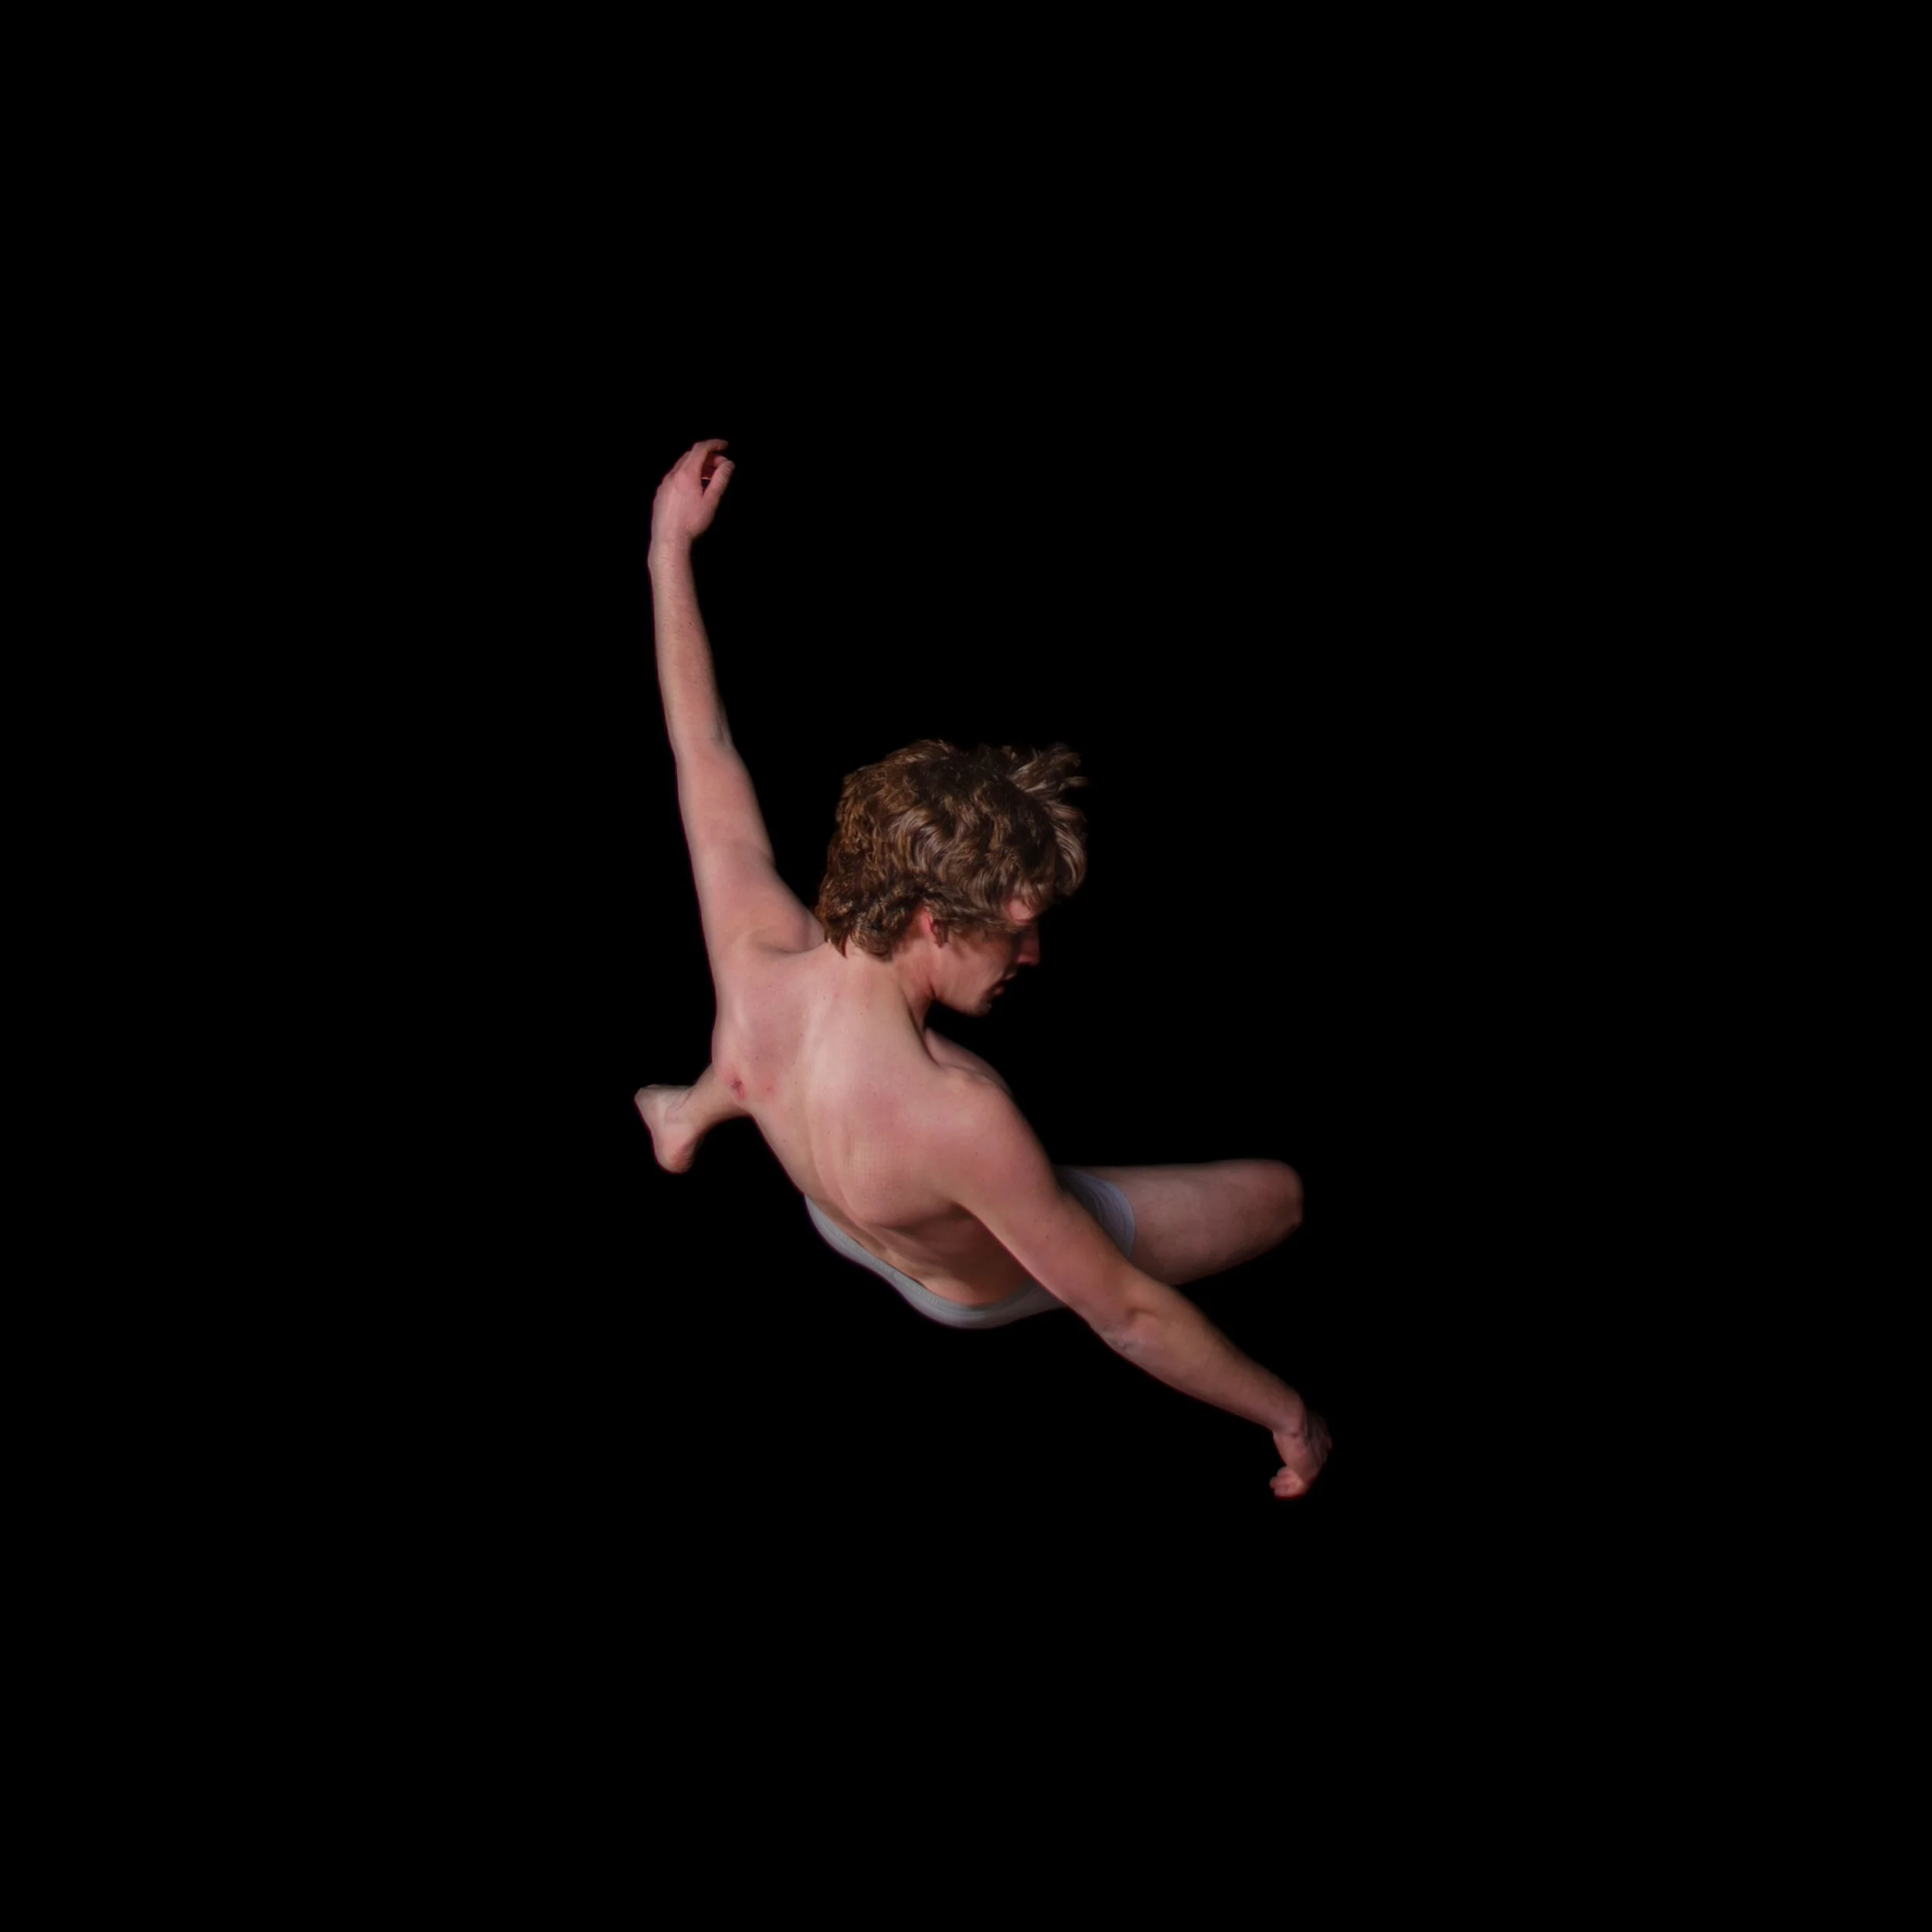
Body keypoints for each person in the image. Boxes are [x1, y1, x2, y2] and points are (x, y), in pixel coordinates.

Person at [638, 437, 1331, 1498]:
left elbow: (705, 751)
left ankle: (690, 1114)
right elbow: (1126, 1314)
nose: (1036, 955)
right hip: (958, 1284)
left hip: (836, 1211)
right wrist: (1288, 1417)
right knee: (1281, 1197)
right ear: (928, 918)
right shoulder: (963, 1115)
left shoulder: (755, 959)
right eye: (1016, 930)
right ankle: (699, 1114)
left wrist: (665, 550)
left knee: (743, 1062)